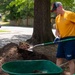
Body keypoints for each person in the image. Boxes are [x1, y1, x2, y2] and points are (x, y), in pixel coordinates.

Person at [51, 2, 75, 75]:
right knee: (59, 58)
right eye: (54, 10)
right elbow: (57, 31)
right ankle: (56, 73)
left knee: (70, 59)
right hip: (62, 40)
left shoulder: (70, 14)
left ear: (60, 7)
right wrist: (58, 36)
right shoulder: (57, 18)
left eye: (55, 9)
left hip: (70, 40)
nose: (55, 11)